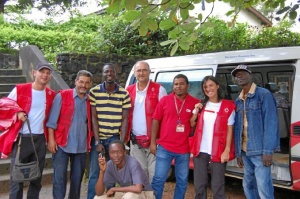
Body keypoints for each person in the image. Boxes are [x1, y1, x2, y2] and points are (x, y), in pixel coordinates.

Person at [0, 63, 56, 199]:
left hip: (40, 139)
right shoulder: (20, 89)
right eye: (42, 72)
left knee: (36, 178)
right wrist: (18, 111)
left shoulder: (51, 94)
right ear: (34, 72)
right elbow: (4, 103)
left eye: (48, 73)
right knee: (16, 179)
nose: (45, 75)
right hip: (22, 139)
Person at [231, 64, 280, 199]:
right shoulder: (238, 99)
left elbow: (271, 124)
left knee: (263, 186)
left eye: (242, 73)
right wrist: (238, 153)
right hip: (245, 150)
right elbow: (237, 128)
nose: (239, 76)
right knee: (248, 185)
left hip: (260, 150)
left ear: (251, 74)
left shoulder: (263, 94)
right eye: (237, 75)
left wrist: (268, 151)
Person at [150, 74, 199, 199]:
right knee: (159, 179)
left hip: (184, 149)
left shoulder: (195, 103)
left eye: (181, 84)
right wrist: (152, 142)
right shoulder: (165, 100)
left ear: (187, 86)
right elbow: (155, 120)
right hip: (164, 147)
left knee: (182, 181)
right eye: (176, 84)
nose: (178, 86)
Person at [46, 70, 93, 199]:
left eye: (87, 83)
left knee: (77, 180)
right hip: (62, 144)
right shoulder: (62, 96)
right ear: (76, 81)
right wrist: (51, 140)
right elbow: (51, 121)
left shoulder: (90, 101)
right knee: (59, 179)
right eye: (81, 81)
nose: (83, 85)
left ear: (90, 85)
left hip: (81, 147)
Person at [88, 63, 131, 199]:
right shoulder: (94, 92)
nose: (109, 74)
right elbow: (94, 118)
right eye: (106, 72)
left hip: (114, 139)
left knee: (111, 173)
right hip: (99, 139)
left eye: (112, 71)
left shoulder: (124, 94)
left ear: (116, 73)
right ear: (102, 73)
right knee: (95, 173)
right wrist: (97, 142)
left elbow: (124, 120)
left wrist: (121, 143)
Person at [189, 75, 236, 199]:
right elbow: (192, 123)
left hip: (218, 151)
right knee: (199, 185)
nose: (208, 89)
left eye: (211, 85)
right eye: (205, 87)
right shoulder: (202, 105)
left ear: (217, 86)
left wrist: (226, 150)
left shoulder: (228, 106)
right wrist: (195, 111)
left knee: (218, 186)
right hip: (201, 151)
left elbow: (230, 130)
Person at [126, 61, 167, 183]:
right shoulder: (128, 90)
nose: (141, 73)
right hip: (135, 142)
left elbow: (164, 117)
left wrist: (158, 141)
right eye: (138, 70)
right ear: (134, 73)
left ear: (149, 72)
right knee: (139, 174)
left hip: (154, 142)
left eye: (144, 70)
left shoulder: (160, 90)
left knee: (155, 175)